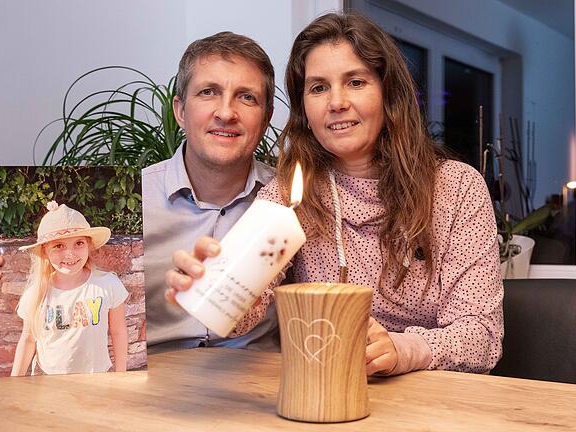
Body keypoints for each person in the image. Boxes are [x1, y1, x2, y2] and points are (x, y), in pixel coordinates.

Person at [167, 12, 503, 376]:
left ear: (388, 94)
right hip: (325, 392)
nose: (336, 102)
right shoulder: (291, 195)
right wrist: (216, 291)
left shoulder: (456, 188)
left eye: (356, 82)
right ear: (304, 109)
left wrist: (402, 350)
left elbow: (482, 336)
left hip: (436, 402)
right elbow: (247, 310)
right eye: (318, 87)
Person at [0, 31, 280, 352]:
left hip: (253, 390)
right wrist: (2, 311)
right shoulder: (139, 197)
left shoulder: (293, 205)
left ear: (265, 119)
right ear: (180, 111)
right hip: (146, 392)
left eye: (247, 96)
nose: (226, 112)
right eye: (208, 92)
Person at [11, 201, 129, 375]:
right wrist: (14, 383)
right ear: (45, 251)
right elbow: (28, 340)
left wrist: (122, 375)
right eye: (59, 246)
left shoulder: (108, 285)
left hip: (96, 381)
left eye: (79, 243)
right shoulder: (36, 293)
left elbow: (118, 332)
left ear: (88, 245)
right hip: (49, 382)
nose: (70, 254)